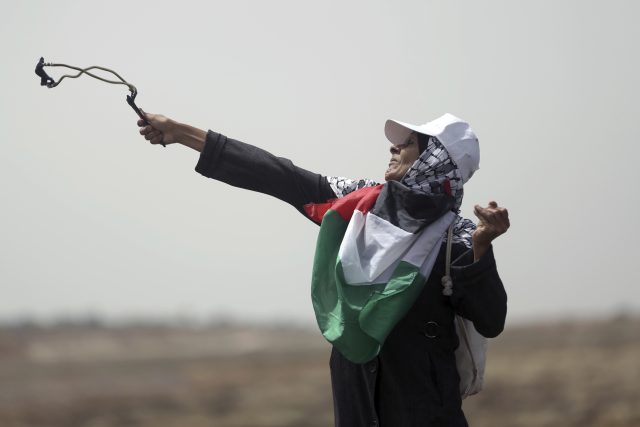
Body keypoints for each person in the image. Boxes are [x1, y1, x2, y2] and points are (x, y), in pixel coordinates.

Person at [137, 112, 509, 427]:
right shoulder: (357, 206)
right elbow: (279, 175)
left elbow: (490, 320)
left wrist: (481, 247)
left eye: (409, 143)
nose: (394, 147)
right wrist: (182, 133)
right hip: (356, 404)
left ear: (437, 160)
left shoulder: (457, 238)